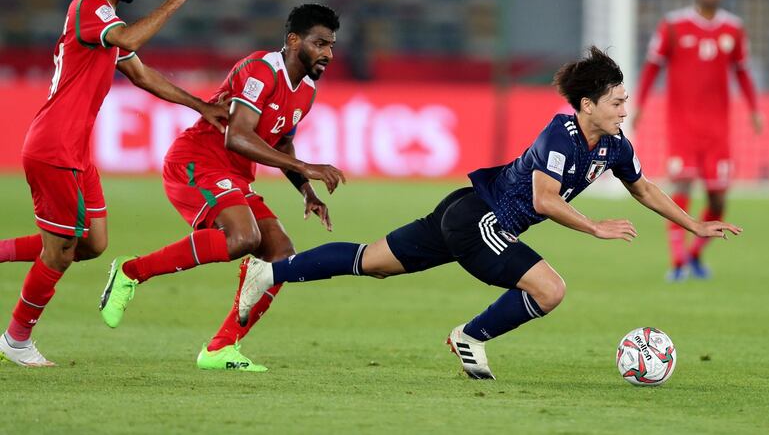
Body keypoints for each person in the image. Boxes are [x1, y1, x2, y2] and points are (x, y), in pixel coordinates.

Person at [236, 46, 742, 380]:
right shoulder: (560, 136)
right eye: (616, 102)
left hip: (465, 209)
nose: (624, 109)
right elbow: (545, 200)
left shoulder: (614, 146)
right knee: (550, 289)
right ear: (587, 104)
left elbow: (644, 188)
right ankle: (470, 336)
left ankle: (269, 271)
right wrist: (594, 227)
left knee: (371, 261)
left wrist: (693, 223)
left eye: (626, 100)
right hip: (481, 220)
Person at [0, 0, 228, 367]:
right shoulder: (89, 8)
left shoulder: (104, 22)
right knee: (60, 251)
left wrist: (202, 106)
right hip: (53, 146)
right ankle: (16, 338)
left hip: (76, 150)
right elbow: (129, 39)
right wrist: (176, 0)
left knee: (93, 242)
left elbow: (143, 74)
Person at [98, 4, 346, 372]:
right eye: (320, 43)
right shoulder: (261, 70)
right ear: (294, 41)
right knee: (242, 238)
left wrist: (305, 191)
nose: (328, 53)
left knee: (280, 254)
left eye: (331, 45)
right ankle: (130, 272)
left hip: (234, 176)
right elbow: (237, 136)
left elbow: (280, 144)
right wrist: (305, 167)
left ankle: (220, 347)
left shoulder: (306, 90)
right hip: (197, 161)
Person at [632, 0, 761, 282]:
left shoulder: (734, 28)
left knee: (718, 197)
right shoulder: (673, 26)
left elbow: (743, 72)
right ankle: (677, 261)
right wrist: (640, 103)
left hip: (718, 131)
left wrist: (754, 108)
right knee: (682, 188)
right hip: (683, 128)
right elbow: (651, 67)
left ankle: (694, 255)